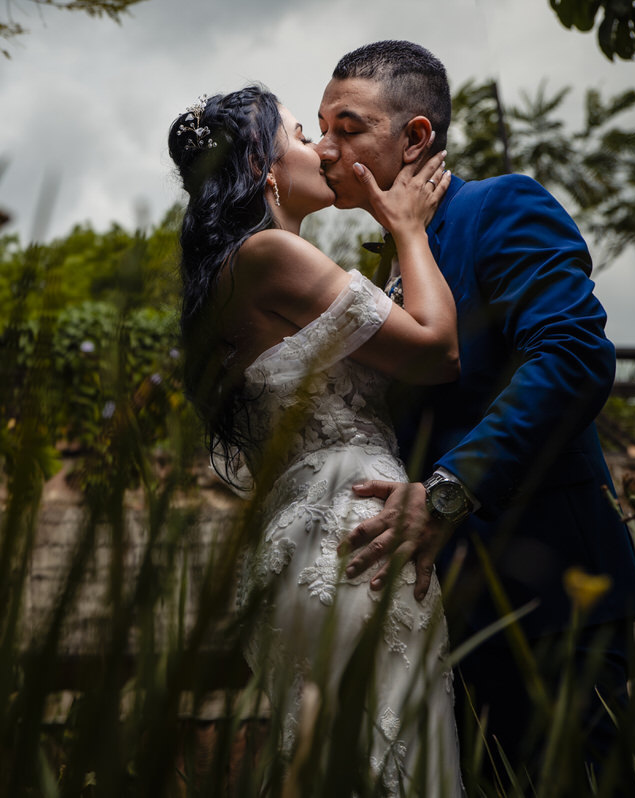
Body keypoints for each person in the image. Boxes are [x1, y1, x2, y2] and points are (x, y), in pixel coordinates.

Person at [314, 41, 635, 791]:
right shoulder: (387, 269)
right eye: (318, 128)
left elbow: (572, 356)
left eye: (349, 126)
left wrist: (447, 493)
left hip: (547, 597)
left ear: (417, 137)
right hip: (441, 621)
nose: (325, 148)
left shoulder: (501, 206)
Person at [168, 86, 464, 796]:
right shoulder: (271, 254)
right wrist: (410, 231)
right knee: (397, 762)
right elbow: (433, 350)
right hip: (356, 528)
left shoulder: (227, 282)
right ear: (262, 165)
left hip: (295, 544)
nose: (324, 150)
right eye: (303, 137)